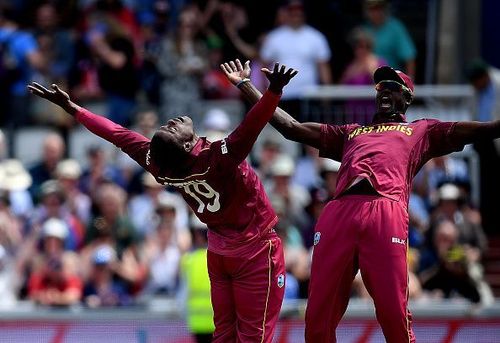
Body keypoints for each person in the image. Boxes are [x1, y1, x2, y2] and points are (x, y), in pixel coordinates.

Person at [222, 58, 500, 342]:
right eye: (379, 87)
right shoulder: (350, 133)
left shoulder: (421, 131)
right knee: (318, 317)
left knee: (393, 314)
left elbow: (481, 129)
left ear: (407, 97)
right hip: (338, 214)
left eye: (392, 87)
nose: (383, 92)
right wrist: (252, 87)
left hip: (385, 210)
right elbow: (291, 128)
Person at [28, 62, 297, 342]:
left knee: (225, 336)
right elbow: (252, 125)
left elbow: (116, 133)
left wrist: (74, 109)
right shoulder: (217, 159)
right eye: (172, 128)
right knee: (255, 336)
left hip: (219, 251)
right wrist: (273, 90)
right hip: (253, 249)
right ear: (185, 146)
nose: (174, 121)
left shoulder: (158, 164)